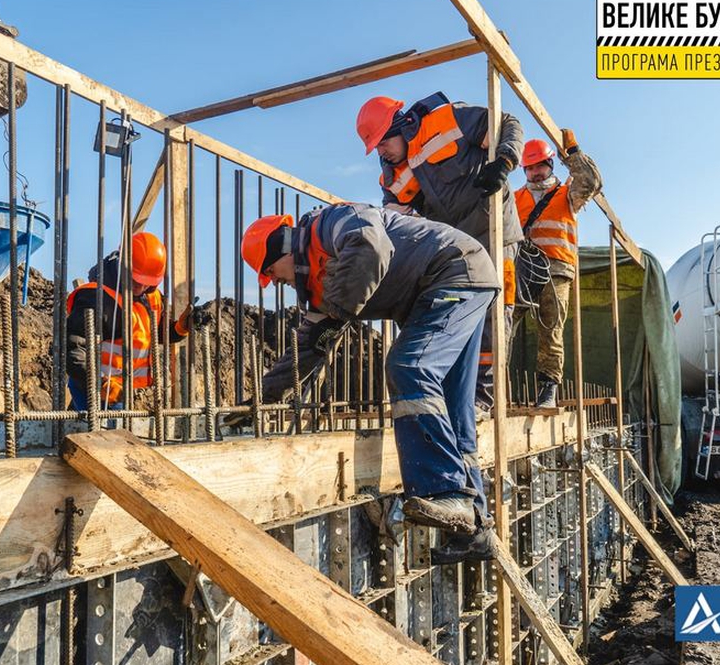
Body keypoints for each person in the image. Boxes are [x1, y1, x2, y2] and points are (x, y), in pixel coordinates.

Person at [226, 203, 500, 563]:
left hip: (452, 270)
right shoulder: (320, 287)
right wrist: (260, 399)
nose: (276, 282)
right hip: (458, 281)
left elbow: (371, 244)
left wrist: (340, 311)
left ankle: (446, 489)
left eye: (271, 273)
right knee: (452, 407)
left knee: (409, 366)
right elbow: (308, 349)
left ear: (279, 249)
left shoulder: (331, 224)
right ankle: (476, 530)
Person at [356, 92, 524, 415]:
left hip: (496, 231)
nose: (381, 151)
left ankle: (484, 398)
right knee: (455, 313)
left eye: (382, 142)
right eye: (375, 146)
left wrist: (504, 161)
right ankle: (456, 392)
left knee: (495, 311)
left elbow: (507, 124)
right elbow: (392, 221)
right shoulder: (393, 174)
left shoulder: (447, 120)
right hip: (458, 247)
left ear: (399, 127)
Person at [65, 232, 206, 410]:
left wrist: (180, 327)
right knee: (106, 436)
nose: (140, 288)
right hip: (97, 389)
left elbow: (152, 334)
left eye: (146, 283)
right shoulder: (97, 298)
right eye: (135, 280)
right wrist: (98, 383)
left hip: (127, 391)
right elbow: (73, 349)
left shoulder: (151, 297)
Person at [512, 132, 603, 408]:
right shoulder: (515, 198)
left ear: (550, 164)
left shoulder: (567, 193)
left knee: (550, 329)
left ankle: (548, 390)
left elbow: (592, 182)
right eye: (529, 168)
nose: (535, 172)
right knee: (503, 324)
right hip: (524, 270)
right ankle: (490, 387)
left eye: (539, 165)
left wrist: (573, 152)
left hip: (556, 270)